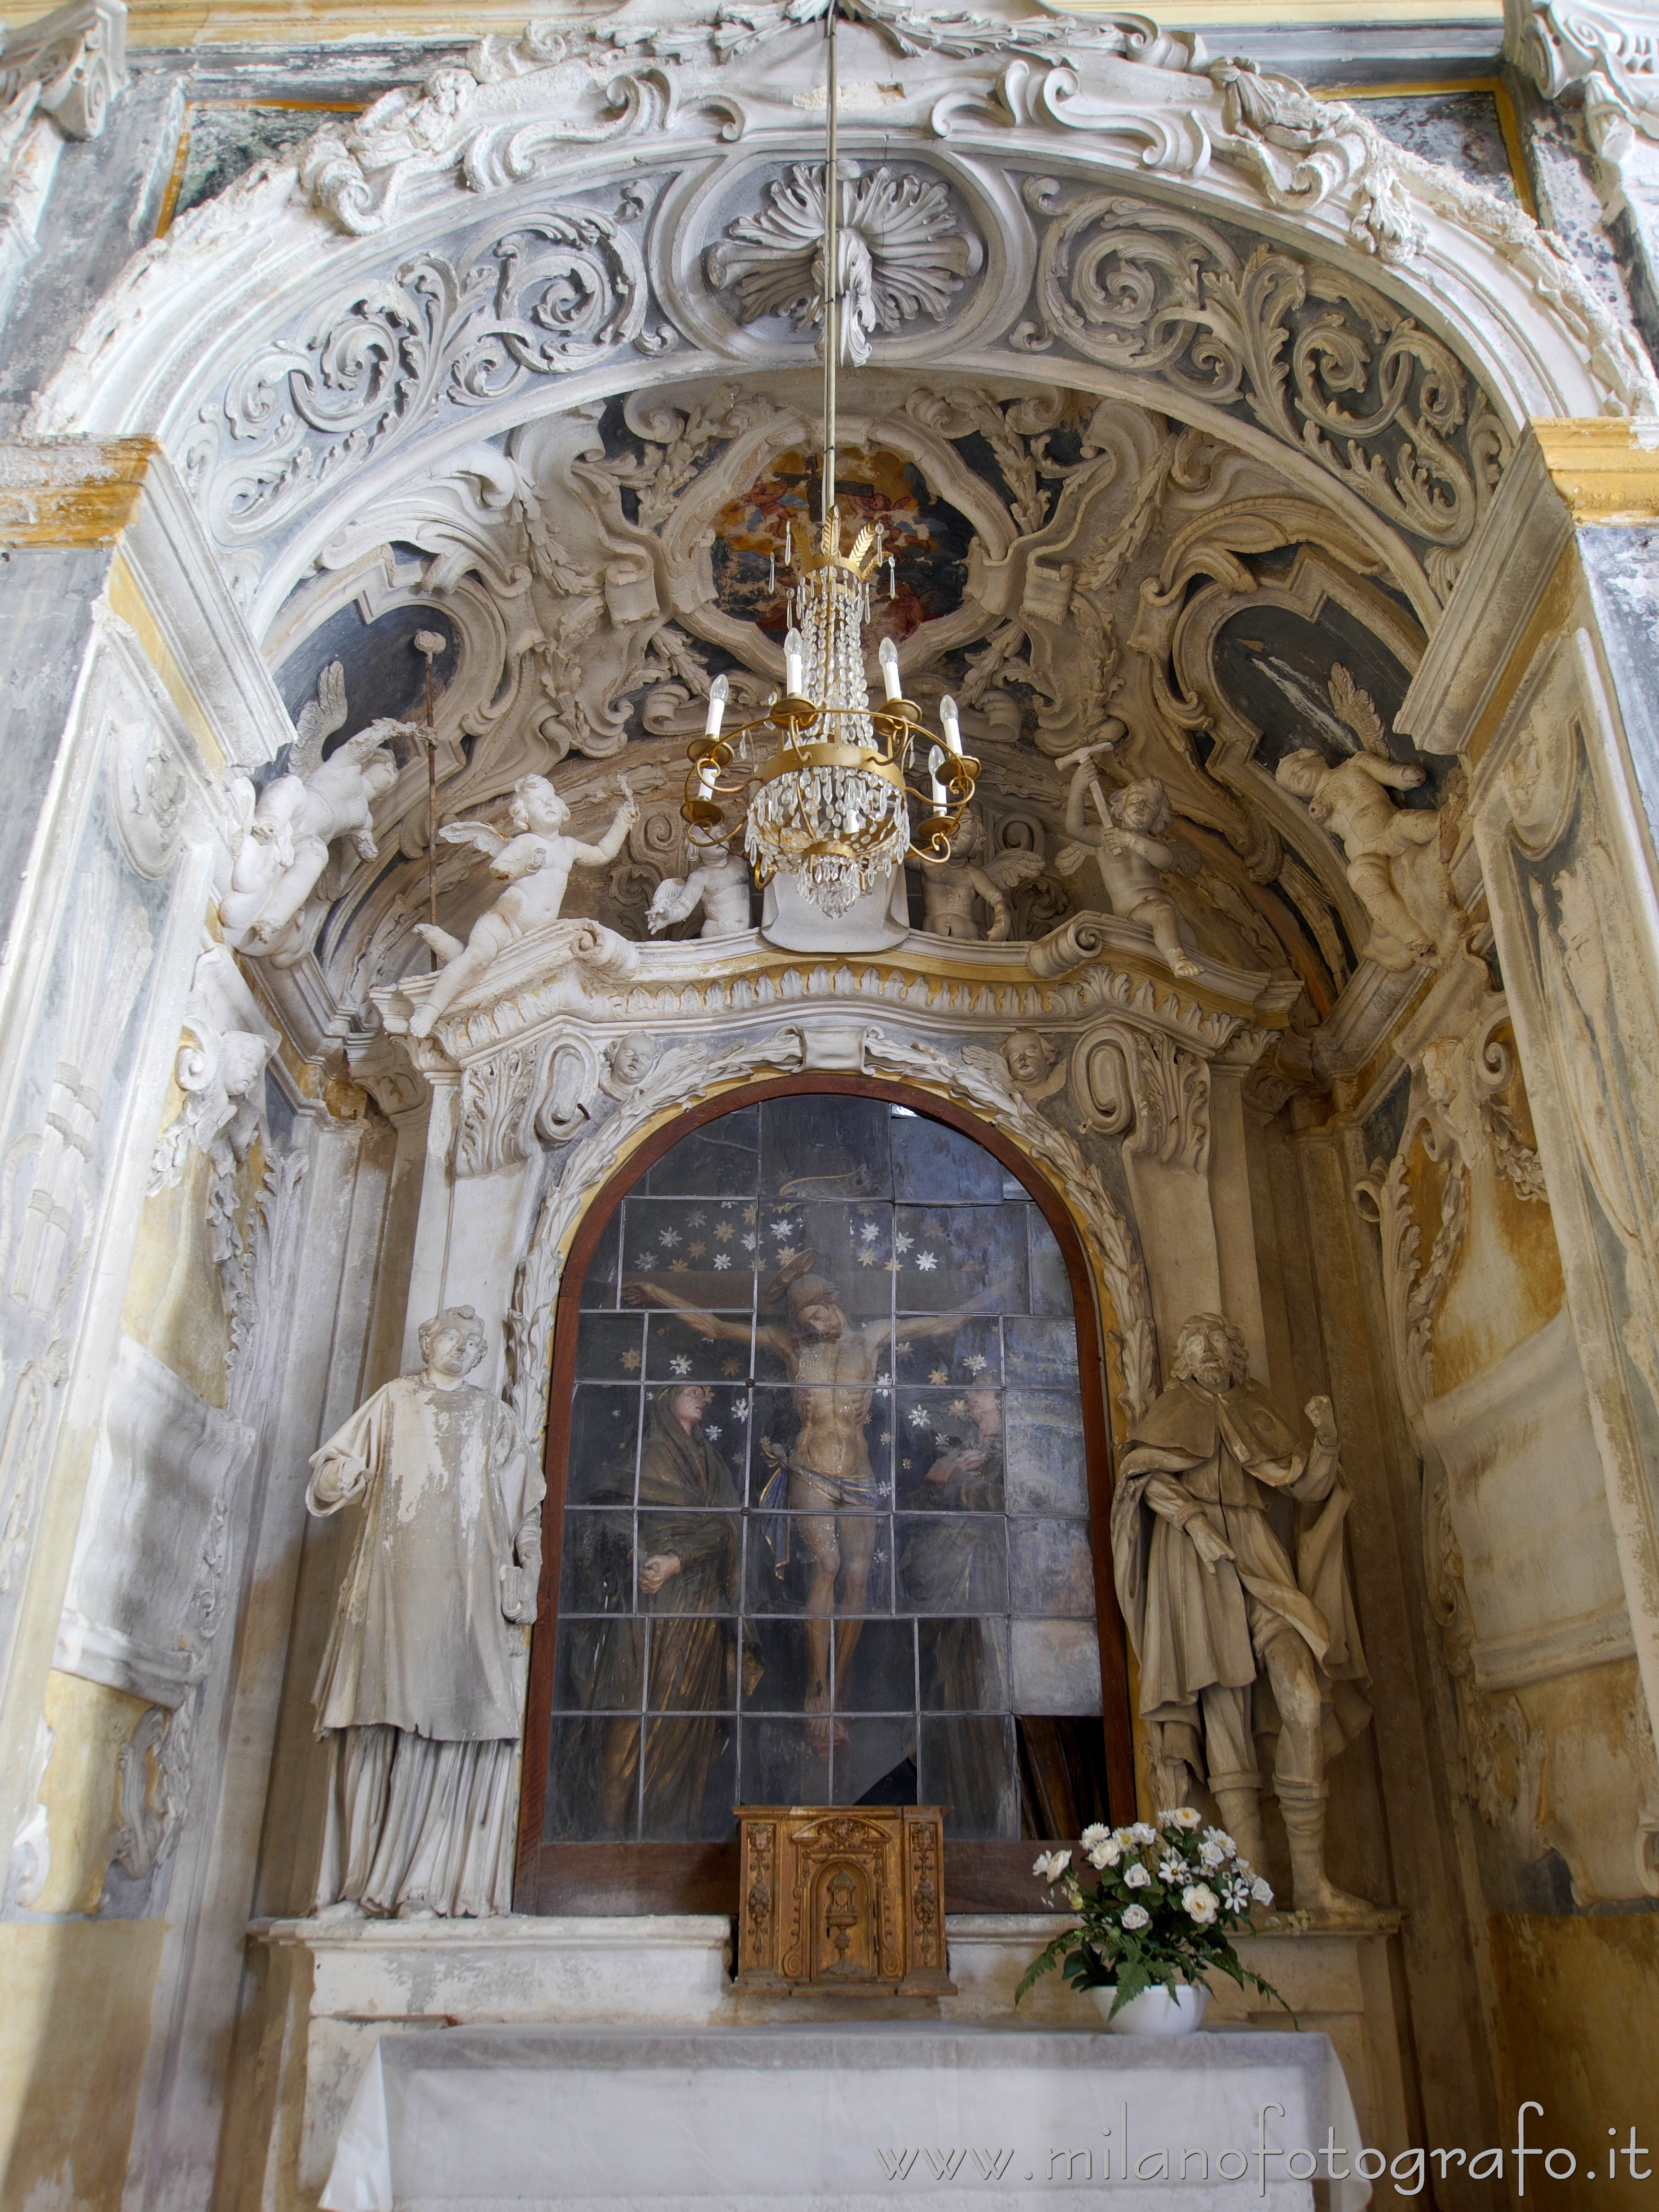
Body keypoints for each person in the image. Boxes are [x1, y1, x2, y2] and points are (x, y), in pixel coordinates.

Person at [625, 1255, 966, 1743]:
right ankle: (816, 1681)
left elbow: (944, 1322)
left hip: (859, 1473)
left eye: (819, 1314)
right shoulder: (789, 1347)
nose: (813, 1325)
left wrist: (996, 1292)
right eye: (804, 1319)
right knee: (826, 1566)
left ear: (833, 1304)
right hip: (811, 1469)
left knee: (857, 1575)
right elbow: (717, 1328)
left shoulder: (871, 1339)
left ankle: (840, 1681)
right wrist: (659, 1295)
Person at [1110, 1311, 1372, 1917]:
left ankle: (1312, 1883)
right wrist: (1194, 1523)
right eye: (1198, 1348)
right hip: (1196, 1567)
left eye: (1219, 1347)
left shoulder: (1255, 1407)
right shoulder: (1172, 1411)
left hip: (1257, 1554)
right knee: (1224, 1722)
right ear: (1183, 1362)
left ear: (1235, 1358)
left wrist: (1326, 1442)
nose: (1209, 1357)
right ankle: (1253, 1893)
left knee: (1304, 1696)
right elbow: (1140, 1476)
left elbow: (1304, 1484)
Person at [306, 1307, 542, 1918]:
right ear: (426, 1342)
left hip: (465, 1586)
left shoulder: (494, 1416)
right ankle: (359, 1883)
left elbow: (526, 1512)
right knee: (376, 1713)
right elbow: (333, 1475)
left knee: (451, 1718)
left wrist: (525, 1577)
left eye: (473, 1343)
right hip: (393, 1578)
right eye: (450, 1338)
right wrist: (339, 1479)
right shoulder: (393, 1401)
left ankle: (423, 1883)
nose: (461, 1349)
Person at [590, 1384, 758, 1837]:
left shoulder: (712, 1463)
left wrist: (678, 1561)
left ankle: (670, 1833)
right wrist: (641, 1558)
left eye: (705, 1392)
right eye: (692, 1391)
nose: (703, 1397)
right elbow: (615, 1518)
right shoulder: (647, 1454)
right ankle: (610, 1834)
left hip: (700, 1600)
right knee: (634, 1705)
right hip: (651, 1597)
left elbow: (728, 1526)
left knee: (687, 1713)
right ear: (666, 1402)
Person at [409, 771, 637, 1036]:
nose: (549, 805)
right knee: (478, 958)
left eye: (551, 799)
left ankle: (452, 950)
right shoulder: (527, 842)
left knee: (484, 973)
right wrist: (524, 868)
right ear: (525, 817)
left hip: (533, 937)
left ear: (563, 806)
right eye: (539, 804)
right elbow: (499, 869)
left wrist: (622, 822)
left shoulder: (569, 846)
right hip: (504, 922)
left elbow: (602, 853)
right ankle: (431, 1010)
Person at [900, 1386, 1008, 1832]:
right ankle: (962, 1815)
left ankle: (990, 1816)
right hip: (949, 1599)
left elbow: (1004, 1504)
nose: (976, 1405)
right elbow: (917, 1518)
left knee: (987, 1701)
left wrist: (955, 1481)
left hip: (988, 1593)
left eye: (984, 1398)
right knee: (951, 1703)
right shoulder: (967, 1453)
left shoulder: (1013, 1454)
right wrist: (934, 1480)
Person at [1058, 747, 1202, 980]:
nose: (1141, 806)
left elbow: (1165, 859)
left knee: (1195, 947)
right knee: (1162, 913)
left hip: (1167, 908)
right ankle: (1178, 961)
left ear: (1159, 818)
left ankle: (1188, 965)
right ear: (1122, 803)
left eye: (1151, 805)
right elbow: (1075, 828)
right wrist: (1079, 788)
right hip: (1136, 913)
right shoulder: (1105, 838)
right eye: (1136, 799)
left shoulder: (1148, 844)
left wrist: (1133, 840)